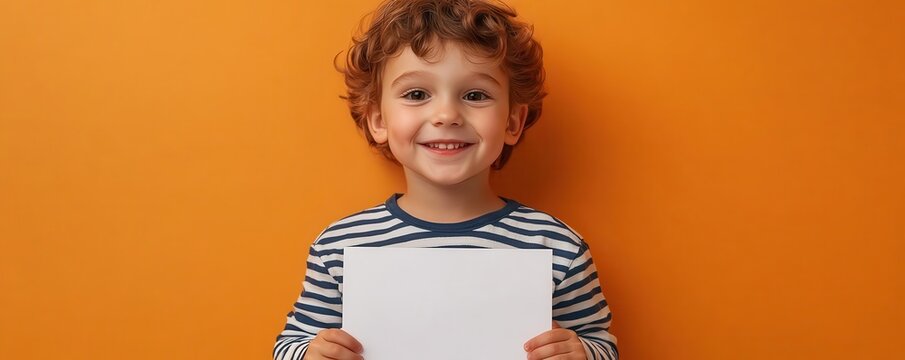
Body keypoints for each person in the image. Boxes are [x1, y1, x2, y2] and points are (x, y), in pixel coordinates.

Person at [273, 0, 618, 359]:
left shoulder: (558, 246)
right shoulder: (339, 246)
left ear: (512, 122)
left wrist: (583, 353)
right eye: (417, 94)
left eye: (475, 95)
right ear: (378, 120)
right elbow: (291, 342)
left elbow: (601, 341)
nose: (446, 114)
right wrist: (310, 355)